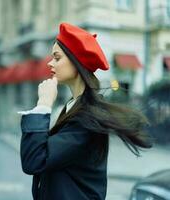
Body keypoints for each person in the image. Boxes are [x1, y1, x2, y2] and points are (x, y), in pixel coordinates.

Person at [17, 23, 153, 200]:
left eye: (57, 58)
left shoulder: (86, 117)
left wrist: (43, 104)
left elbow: (34, 161)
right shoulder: (75, 107)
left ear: (76, 62)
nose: (50, 63)